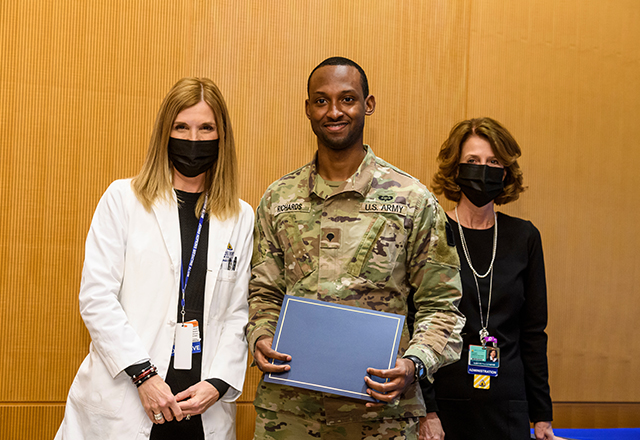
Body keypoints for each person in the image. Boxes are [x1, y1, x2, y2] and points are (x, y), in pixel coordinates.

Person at [246, 56, 465, 439]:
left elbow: (441, 307)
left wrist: (414, 363)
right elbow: (263, 293)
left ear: (368, 104)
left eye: (347, 99)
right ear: (308, 108)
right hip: (291, 415)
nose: (334, 111)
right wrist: (261, 335)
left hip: (382, 417)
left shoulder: (412, 200)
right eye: (321, 100)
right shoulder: (278, 199)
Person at [55, 77, 254, 440]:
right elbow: (97, 299)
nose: (193, 139)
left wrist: (218, 383)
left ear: (221, 136)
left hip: (200, 408)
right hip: (129, 399)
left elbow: (238, 313)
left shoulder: (241, 216)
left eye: (206, 127)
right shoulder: (123, 199)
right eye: (182, 127)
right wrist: (144, 376)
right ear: (165, 132)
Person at [418, 117, 554, 440]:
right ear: (456, 169)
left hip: (507, 405)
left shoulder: (524, 238)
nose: (484, 169)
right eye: (473, 161)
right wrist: (426, 410)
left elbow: (533, 334)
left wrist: (542, 416)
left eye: (493, 162)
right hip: (442, 405)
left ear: (505, 172)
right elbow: (413, 324)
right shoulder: (432, 233)